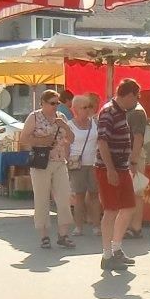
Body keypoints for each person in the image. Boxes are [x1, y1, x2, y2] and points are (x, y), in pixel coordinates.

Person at [17, 88, 76, 249]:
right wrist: (42, 140)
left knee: (64, 198)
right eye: (52, 103)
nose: (55, 106)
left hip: (59, 161)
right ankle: (44, 235)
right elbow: (23, 139)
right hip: (40, 162)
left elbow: (71, 139)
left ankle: (63, 234)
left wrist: (65, 126)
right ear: (42, 103)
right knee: (42, 199)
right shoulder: (34, 117)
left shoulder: (61, 117)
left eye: (57, 103)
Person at [96, 80, 143, 274]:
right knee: (111, 210)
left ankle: (116, 249)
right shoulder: (108, 111)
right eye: (136, 96)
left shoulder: (122, 112)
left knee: (128, 207)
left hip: (121, 167)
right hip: (110, 168)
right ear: (129, 94)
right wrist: (110, 169)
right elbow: (102, 141)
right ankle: (107, 255)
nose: (137, 101)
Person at [68, 92, 103, 237]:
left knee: (94, 195)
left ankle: (96, 226)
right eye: (84, 107)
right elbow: (65, 145)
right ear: (75, 109)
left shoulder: (95, 123)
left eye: (89, 106)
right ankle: (78, 226)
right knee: (79, 196)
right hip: (77, 165)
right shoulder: (70, 125)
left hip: (94, 164)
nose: (88, 109)